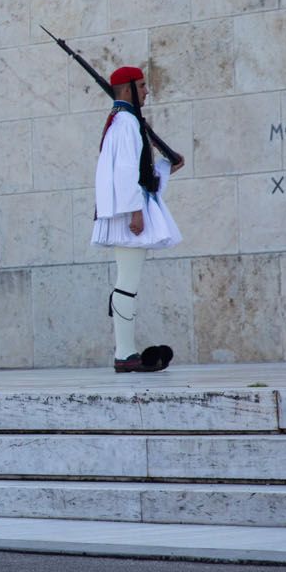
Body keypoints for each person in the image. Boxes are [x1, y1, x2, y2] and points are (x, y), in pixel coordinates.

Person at [91, 66, 183, 373]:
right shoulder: (127, 122)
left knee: (126, 282)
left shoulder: (122, 121)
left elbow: (139, 172)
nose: (146, 91)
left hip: (128, 209)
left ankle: (125, 352)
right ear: (128, 89)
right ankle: (125, 354)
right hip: (129, 213)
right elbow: (126, 172)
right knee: (127, 283)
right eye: (142, 86)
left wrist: (167, 166)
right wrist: (135, 211)